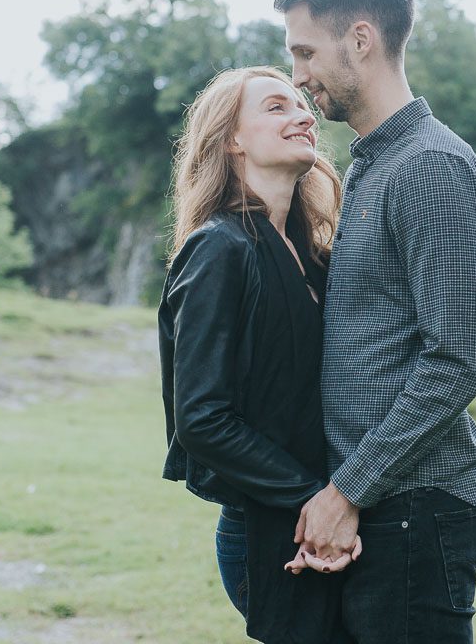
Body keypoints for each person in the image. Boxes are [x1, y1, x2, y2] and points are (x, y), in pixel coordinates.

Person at [274, 0, 476, 643]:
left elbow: (458, 360)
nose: (299, 76)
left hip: (418, 504)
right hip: (384, 500)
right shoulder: (373, 163)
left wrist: (348, 492)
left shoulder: (430, 166)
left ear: (362, 40)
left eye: (306, 52)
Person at [158, 65, 357, 643]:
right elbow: (202, 418)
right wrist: (319, 505)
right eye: (276, 106)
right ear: (232, 139)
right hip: (270, 533)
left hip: (321, 520)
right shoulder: (218, 249)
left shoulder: (312, 254)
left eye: (303, 105)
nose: (304, 115)